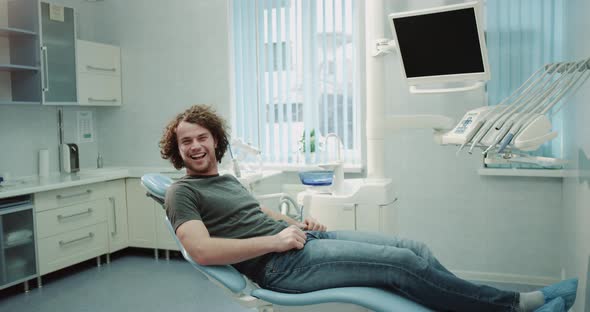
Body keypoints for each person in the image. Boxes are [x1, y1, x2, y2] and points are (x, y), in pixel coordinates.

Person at [159, 104, 578, 312]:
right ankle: (517, 304)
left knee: (414, 249)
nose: (195, 146)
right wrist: (277, 240)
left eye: (201, 137)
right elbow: (202, 251)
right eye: (186, 142)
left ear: (216, 140)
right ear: (177, 151)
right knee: (398, 265)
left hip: (297, 243)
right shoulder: (182, 193)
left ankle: (470, 304)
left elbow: (255, 217)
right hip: (277, 267)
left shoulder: (225, 180)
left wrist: (293, 223)